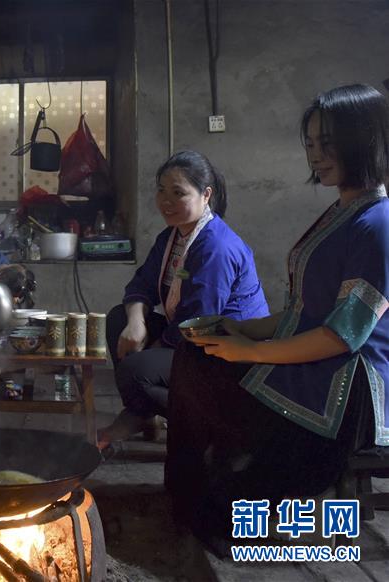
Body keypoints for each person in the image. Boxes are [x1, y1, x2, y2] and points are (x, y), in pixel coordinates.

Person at [170, 84, 389, 554]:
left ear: (363, 139)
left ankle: (245, 480)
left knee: (220, 510)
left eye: (327, 143)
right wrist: (238, 329)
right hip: (314, 364)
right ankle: (210, 480)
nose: (316, 155)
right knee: (195, 356)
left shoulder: (377, 223)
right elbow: (300, 313)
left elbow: (343, 334)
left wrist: (251, 351)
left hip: (343, 389)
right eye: (310, 144)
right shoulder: (344, 211)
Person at [98, 151, 269, 450]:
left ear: (206, 195)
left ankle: (204, 422)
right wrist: (137, 324)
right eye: (161, 191)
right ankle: (144, 414)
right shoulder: (172, 237)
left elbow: (200, 321)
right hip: (191, 337)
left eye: (178, 193)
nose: (166, 201)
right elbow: (141, 284)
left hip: (225, 351)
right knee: (119, 319)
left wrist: (151, 350)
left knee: (135, 371)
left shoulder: (216, 246)